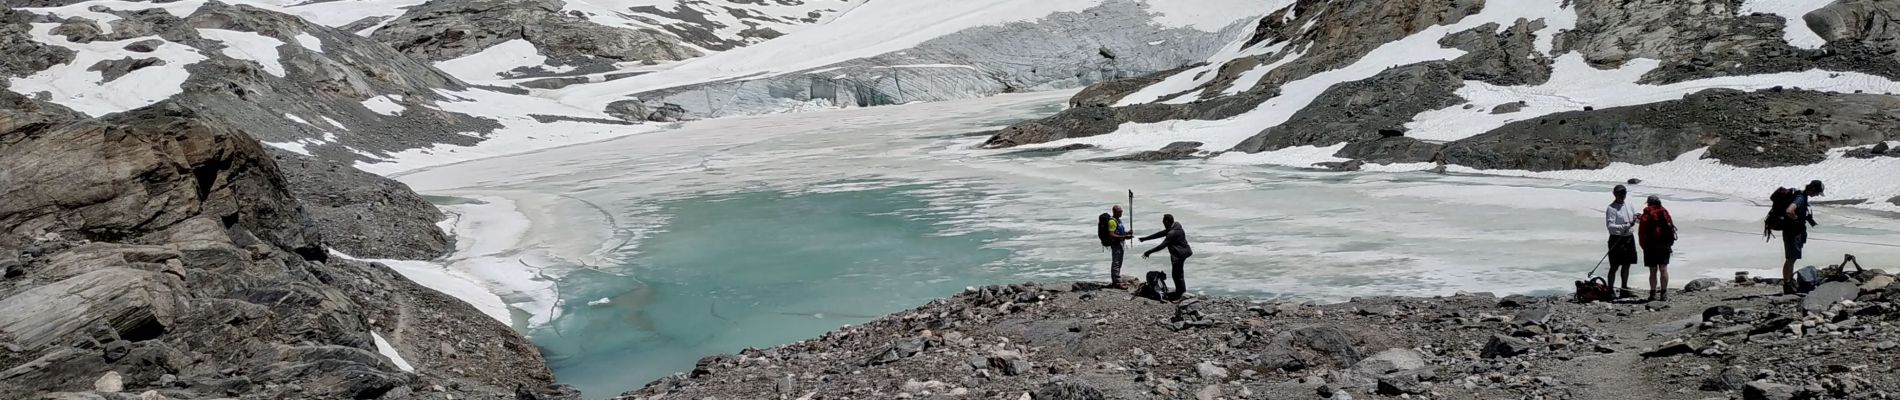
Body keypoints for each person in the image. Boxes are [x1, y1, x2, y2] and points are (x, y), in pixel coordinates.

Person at [1766, 180, 1824, 294]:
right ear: (1812, 189)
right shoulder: (1800, 198)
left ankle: (1789, 282)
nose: (1816, 195)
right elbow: (1789, 211)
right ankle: (1787, 284)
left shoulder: (1800, 196)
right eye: (1817, 193)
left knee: (1791, 258)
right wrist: (1796, 220)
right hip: (1792, 232)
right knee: (1790, 259)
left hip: (1791, 231)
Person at [1140, 214, 1192, 302]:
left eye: (1164, 222)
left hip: (1179, 254)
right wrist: (1145, 238)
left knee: (1177, 275)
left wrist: (1149, 252)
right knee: (1177, 274)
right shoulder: (1175, 227)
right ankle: (1180, 293)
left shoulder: (1172, 232)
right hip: (1183, 252)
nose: (1163, 223)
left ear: (1167, 221)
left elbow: (1163, 245)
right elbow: (1161, 233)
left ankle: (1181, 296)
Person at [1638, 195, 1677, 301]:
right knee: (1663, 269)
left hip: (1650, 246)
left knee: (1653, 271)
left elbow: (1641, 232)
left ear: (1649, 203)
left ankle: (1653, 293)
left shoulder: (1646, 215)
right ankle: (1664, 293)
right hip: (1664, 245)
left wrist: (1643, 246)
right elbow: (1671, 227)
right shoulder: (1664, 212)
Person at [1604, 185, 1639, 296]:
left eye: (1624, 193)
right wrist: (1625, 226)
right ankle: (1610, 290)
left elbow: (1634, 218)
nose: (1622, 195)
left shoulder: (1629, 205)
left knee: (1627, 264)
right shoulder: (1611, 208)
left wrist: (1638, 218)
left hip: (1629, 237)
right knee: (1614, 265)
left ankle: (1624, 288)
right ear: (1615, 194)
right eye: (1620, 193)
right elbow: (1610, 226)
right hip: (1616, 239)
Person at [1097, 205, 1135, 288]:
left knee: (1119, 262)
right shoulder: (1112, 222)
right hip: (1116, 244)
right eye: (1119, 211)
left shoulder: (1118, 220)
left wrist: (1127, 232)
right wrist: (1124, 237)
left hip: (1120, 243)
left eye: (1121, 211)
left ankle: (1117, 279)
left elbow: (1119, 231)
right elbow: (1111, 235)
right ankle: (1117, 283)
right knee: (1116, 263)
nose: (1121, 213)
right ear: (1114, 212)